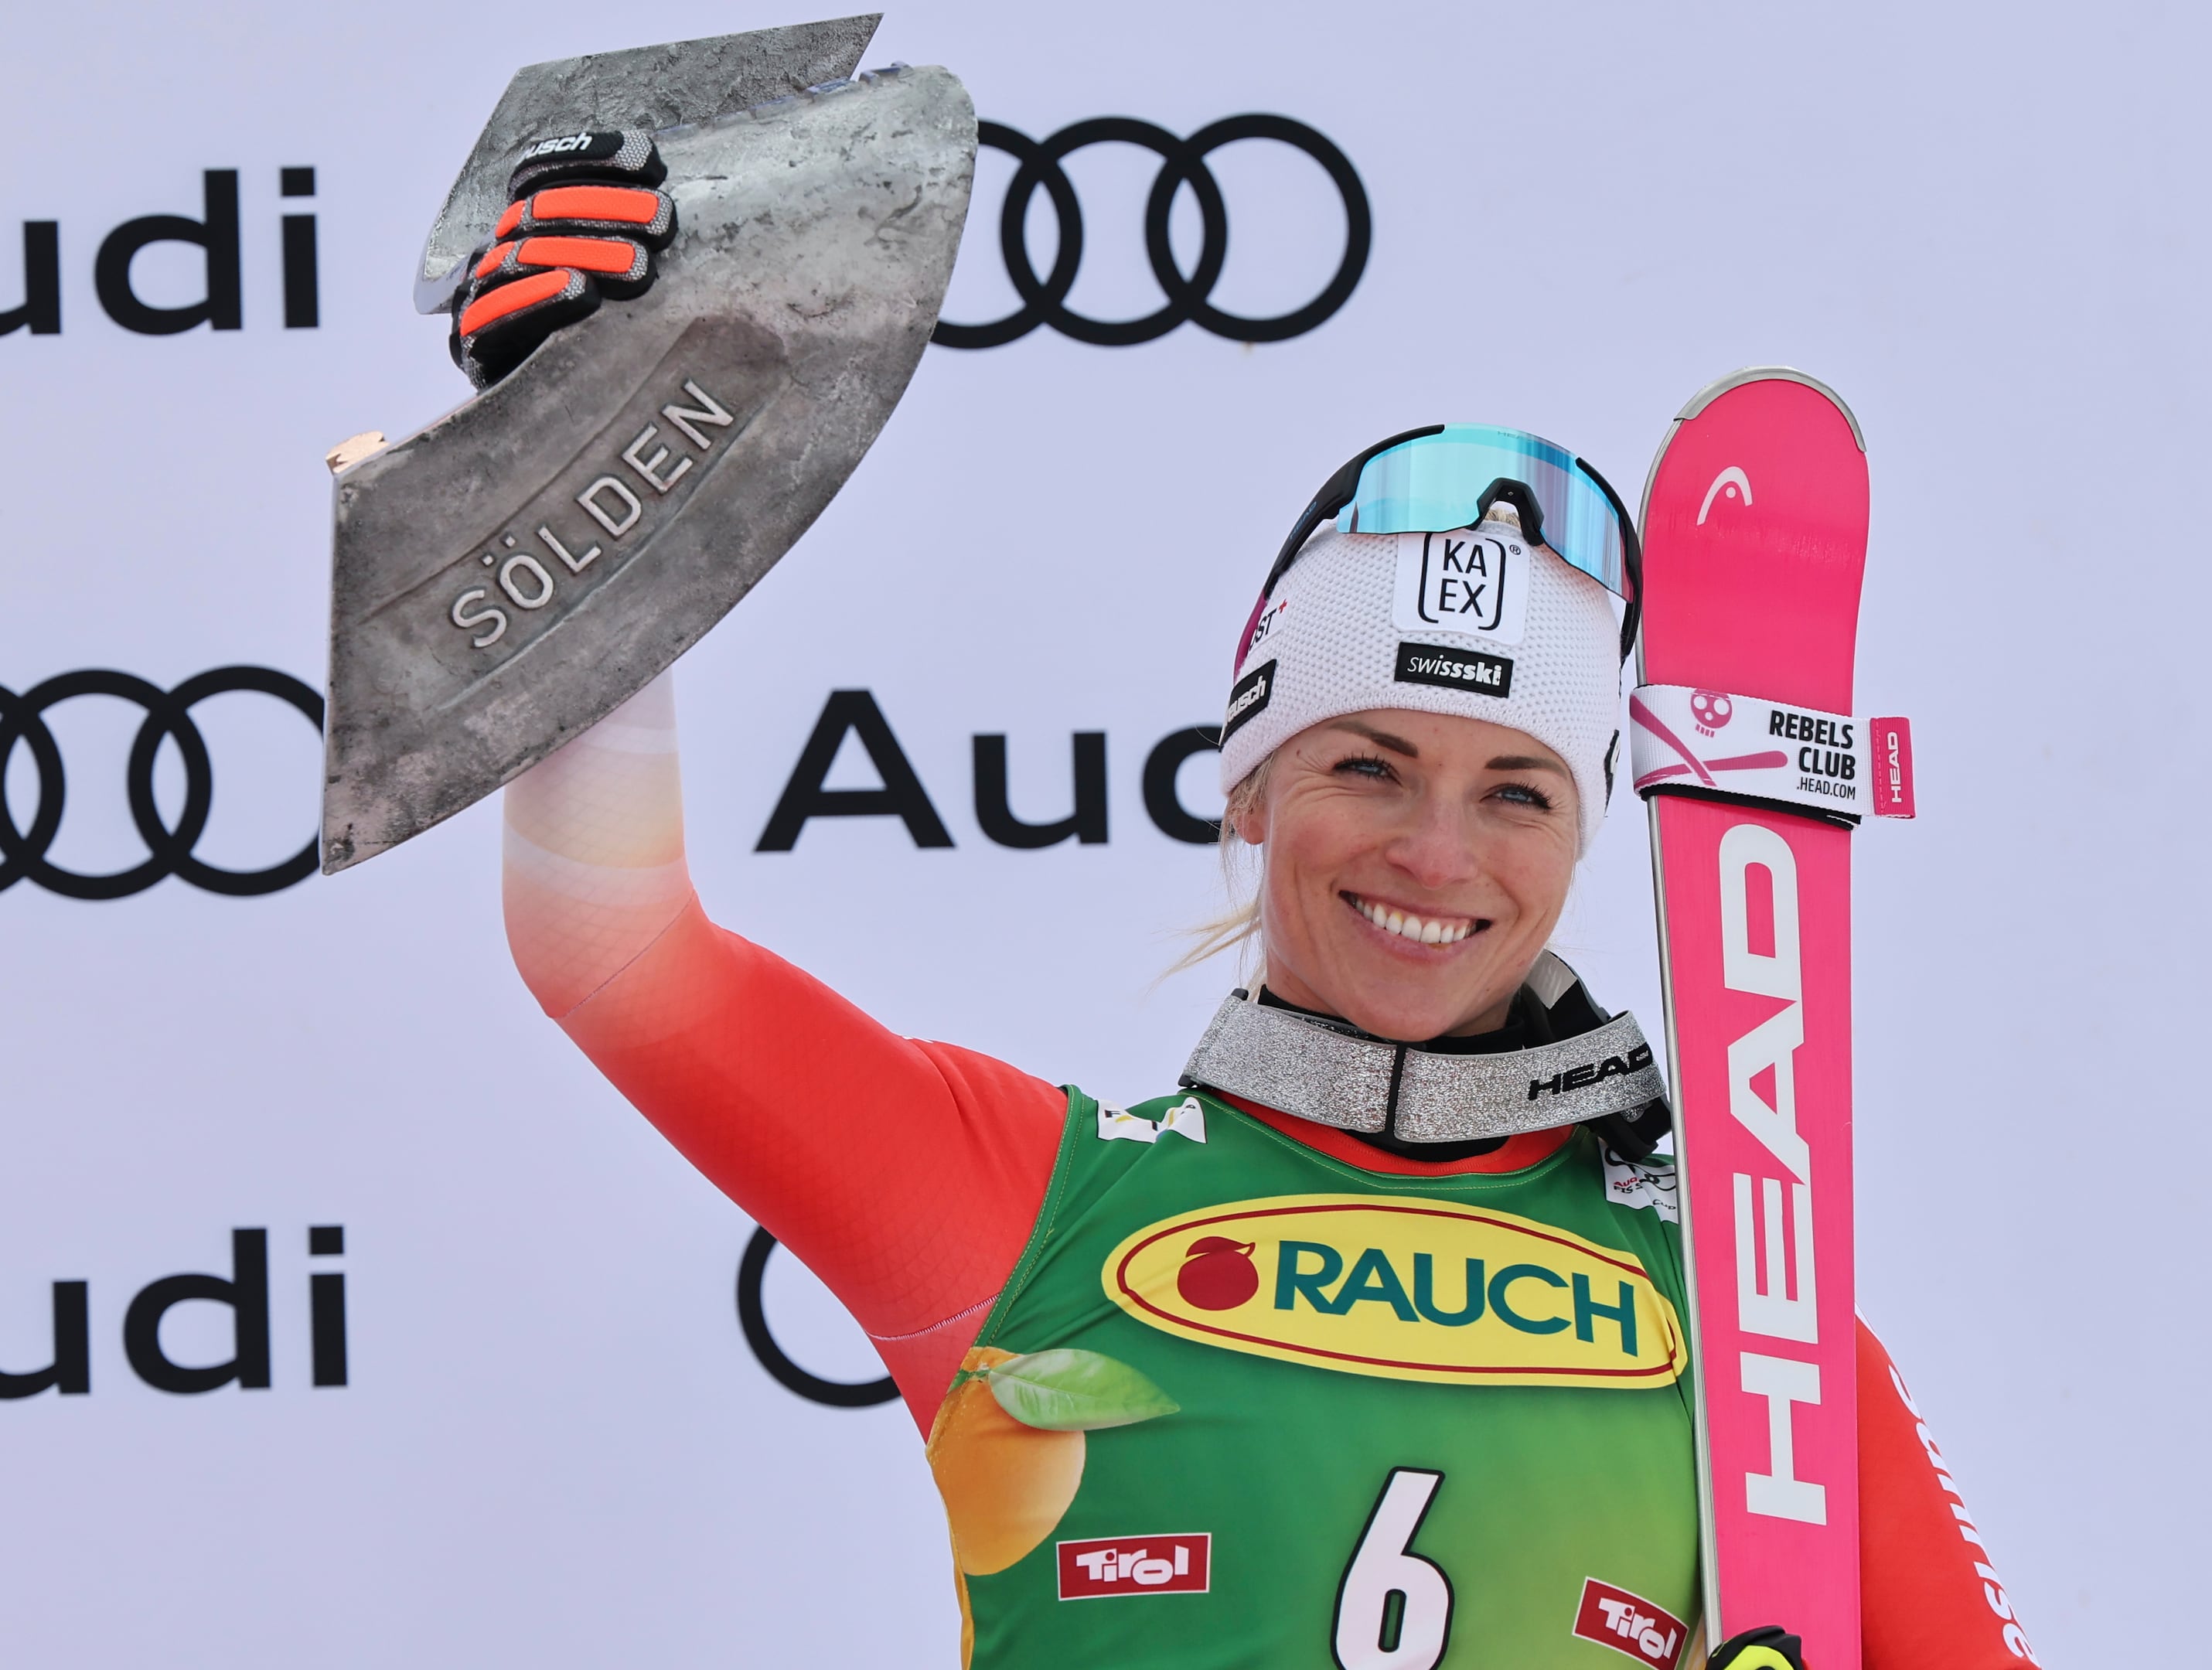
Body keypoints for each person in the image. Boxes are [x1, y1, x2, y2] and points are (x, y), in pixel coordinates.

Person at [474, 129, 2040, 1670]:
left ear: (1583, 838)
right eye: (1368, 765)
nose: (1438, 853)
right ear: (1248, 786)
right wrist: (590, 482)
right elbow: (611, 948)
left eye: (1517, 792)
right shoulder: (1032, 1209)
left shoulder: (1755, 1332)